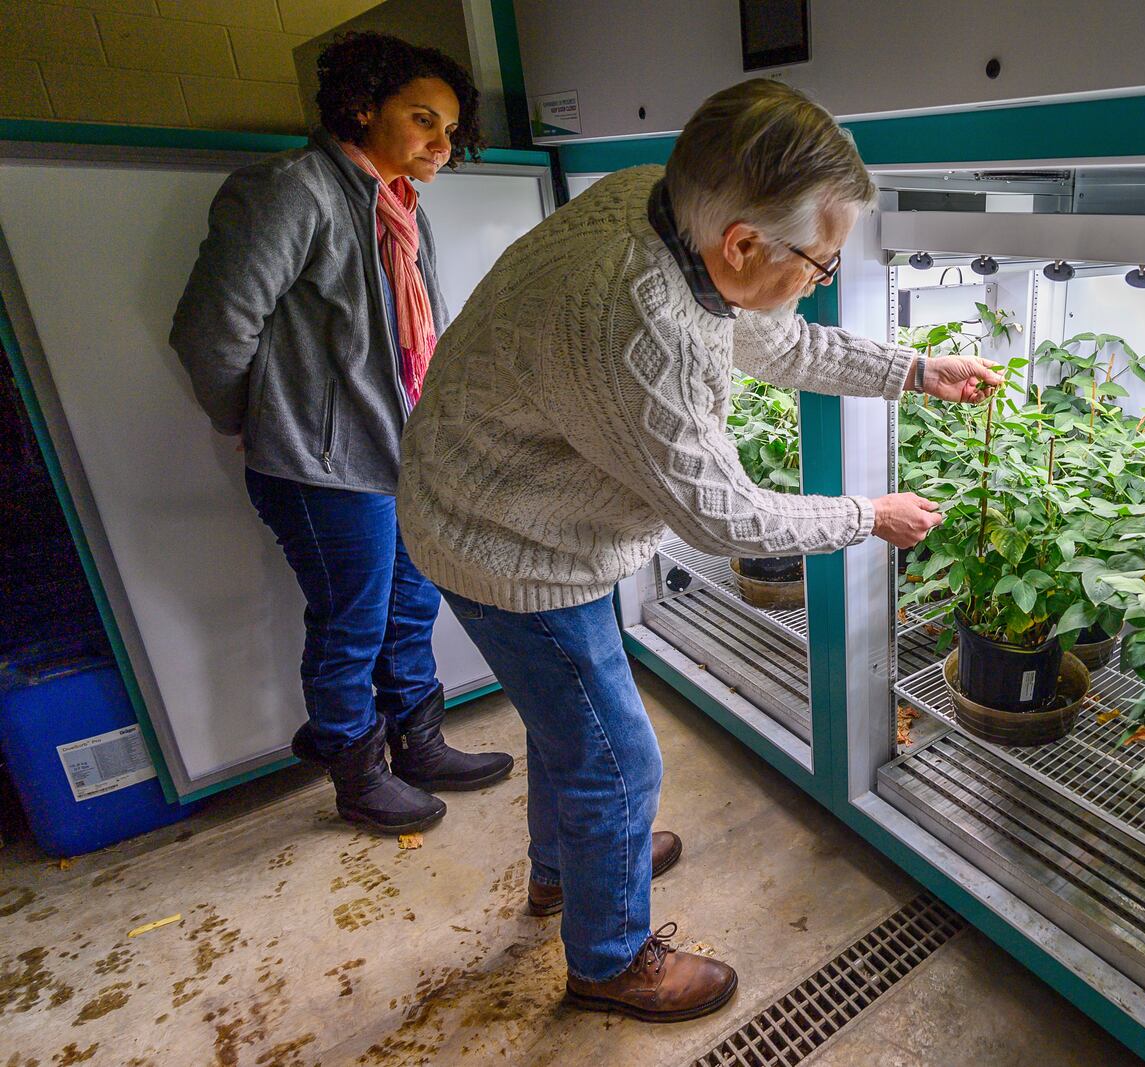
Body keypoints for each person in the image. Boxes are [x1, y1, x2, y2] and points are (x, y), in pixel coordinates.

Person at [397, 77, 1000, 1022]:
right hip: (507, 541)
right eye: (822, 260)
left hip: (510, 506)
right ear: (744, 244)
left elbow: (782, 344)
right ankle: (608, 956)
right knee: (618, 758)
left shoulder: (668, 200)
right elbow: (728, 521)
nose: (824, 276)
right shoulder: (635, 319)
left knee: (575, 728)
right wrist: (868, 514)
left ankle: (575, 869)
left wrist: (916, 372)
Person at [170, 32, 512, 835]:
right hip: (325, 468)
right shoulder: (291, 191)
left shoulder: (395, 204)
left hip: (400, 458)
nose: (442, 143)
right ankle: (357, 775)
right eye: (424, 120)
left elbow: (411, 337)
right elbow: (210, 332)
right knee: (352, 622)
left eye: (451, 129)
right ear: (362, 107)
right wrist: (262, 425)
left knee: (409, 606)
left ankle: (418, 743)